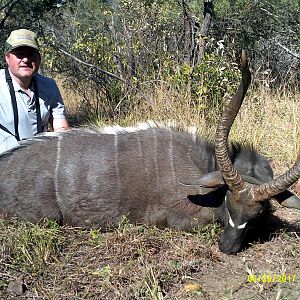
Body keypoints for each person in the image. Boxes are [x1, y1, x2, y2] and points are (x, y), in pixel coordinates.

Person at [0, 28, 69, 154]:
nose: (26, 59)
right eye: (20, 54)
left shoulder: (49, 85)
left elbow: (61, 128)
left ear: (39, 58)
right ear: (7, 58)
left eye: (31, 54)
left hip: (38, 161)